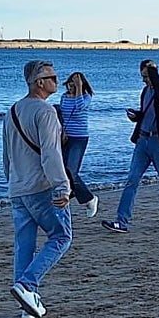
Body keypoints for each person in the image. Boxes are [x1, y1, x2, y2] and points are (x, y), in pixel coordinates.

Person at [3, 60, 73, 318]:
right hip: (41, 188)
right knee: (61, 237)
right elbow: (51, 155)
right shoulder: (45, 112)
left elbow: (7, 156)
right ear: (39, 82)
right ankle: (27, 286)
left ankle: (27, 305)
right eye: (52, 77)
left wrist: (12, 181)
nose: (57, 81)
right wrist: (62, 187)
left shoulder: (12, 111)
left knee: (25, 244)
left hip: (18, 188)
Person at [102, 60, 159, 233]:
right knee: (132, 180)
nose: (144, 80)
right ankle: (122, 221)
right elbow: (148, 112)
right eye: (143, 77)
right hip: (142, 140)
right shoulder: (145, 91)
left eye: (146, 76)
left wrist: (153, 73)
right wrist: (137, 116)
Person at [58, 72, 98, 218]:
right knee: (62, 169)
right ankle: (74, 193)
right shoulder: (64, 97)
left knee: (71, 171)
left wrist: (80, 88)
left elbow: (80, 107)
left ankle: (89, 198)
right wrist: (61, 132)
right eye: (70, 83)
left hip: (79, 137)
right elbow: (61, 115)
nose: (71, 86)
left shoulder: (86, 97)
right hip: (65, 137)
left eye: (74, 84)